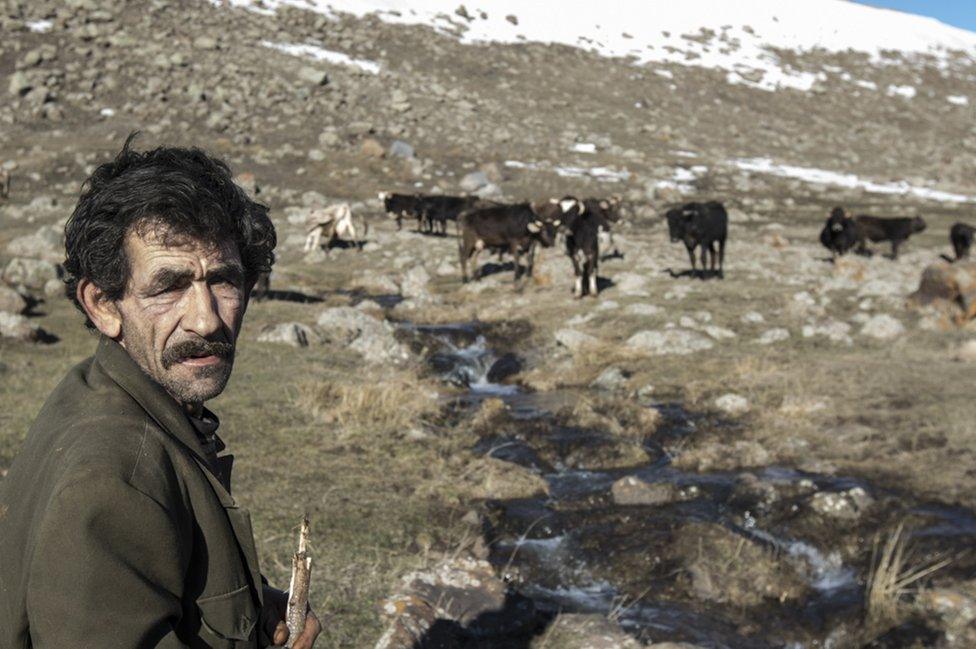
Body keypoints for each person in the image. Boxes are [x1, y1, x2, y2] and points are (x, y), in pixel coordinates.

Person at [0, 134, 321, 649]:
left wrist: (251, 608)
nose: (206, 319)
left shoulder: (105, 387)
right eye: (169, 286)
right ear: (103, 304)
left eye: (224, 281)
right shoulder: (117, 479)